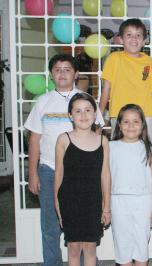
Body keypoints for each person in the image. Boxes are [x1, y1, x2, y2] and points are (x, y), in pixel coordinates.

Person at [24, 54, 104, 266]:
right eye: (57, 69)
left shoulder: (86, 100)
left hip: (82, 175)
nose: (62, 73)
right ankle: (52, 262)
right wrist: (33, 173)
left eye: (67, 69)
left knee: (83, 223)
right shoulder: (43, 101)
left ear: (76, 74)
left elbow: (97, 136)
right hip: (50, 171)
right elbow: (35, 139)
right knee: (50, 225)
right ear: (51, 74)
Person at [54, 93, 111, 266]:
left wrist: (106, 206)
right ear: (70, 115)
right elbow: (58, 174)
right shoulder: (63, 139)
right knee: (73, 248)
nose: (83, 115)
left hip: (93, 202)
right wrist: (57, 204)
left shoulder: (103, 141)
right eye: (78, 111)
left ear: (95, 114)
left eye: (88, 110)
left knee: (90, 247)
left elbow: (105, 174)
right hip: (69, 202)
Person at [100, 18, 152, 145]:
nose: (134, 39)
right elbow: (106, 89)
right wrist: (99, 115)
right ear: (121, 39)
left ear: (144, 41)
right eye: (129, 35)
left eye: (138, 35)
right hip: (119, 116)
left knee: (147, 154)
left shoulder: (150, 62)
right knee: (119, 153)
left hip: (145, 116)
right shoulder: (114, 59)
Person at [109, 104, 152, 266]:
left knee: (141, 242)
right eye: (126, 122)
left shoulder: (149, 149)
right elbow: (106, 177)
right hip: (118, 201)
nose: (131, 126)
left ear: (143, 125)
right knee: (122, 242)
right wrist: (105, 206)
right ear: (119, 124)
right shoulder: (110, 147)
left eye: (136, 122)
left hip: (143, 202)